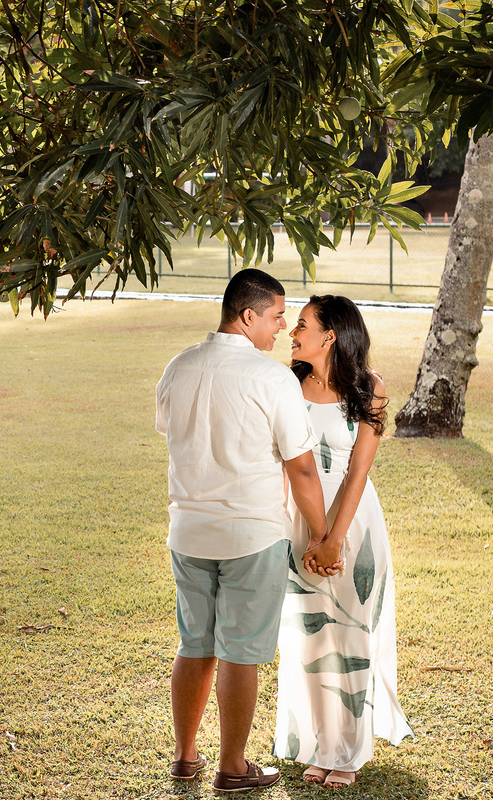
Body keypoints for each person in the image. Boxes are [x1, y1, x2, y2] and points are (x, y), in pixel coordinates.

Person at [156, 269, 342, 793]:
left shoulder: (177, 367)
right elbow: (302, 469)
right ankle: (233, 766)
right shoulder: (272, 379)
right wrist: (324, 533)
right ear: (248, 316)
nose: (283, 326)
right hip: (251, 538)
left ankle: (185, 756)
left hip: (189, 532)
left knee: (195, 644)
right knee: (239, 650)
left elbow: (175, 437)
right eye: (278, 315)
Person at [272, 295, 413, 789]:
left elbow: (357, 472)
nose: (292, 331)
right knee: (310, 635)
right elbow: (292, 465)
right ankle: (318, 744)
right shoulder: (287, 384)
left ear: (331, 334)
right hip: (300, 523)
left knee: (351, 633)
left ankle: (348, 751)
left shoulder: (368, 388)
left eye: (303, 325)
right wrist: (314, 534)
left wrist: (335, 538)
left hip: (356, 522)